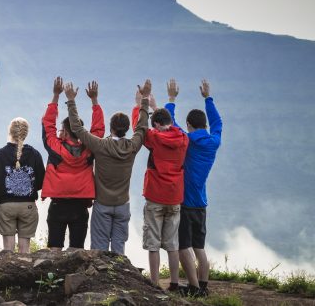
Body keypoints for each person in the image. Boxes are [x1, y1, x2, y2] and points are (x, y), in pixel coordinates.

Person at [66, 79, 149, 254]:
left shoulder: (100, 145)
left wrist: (73, 100)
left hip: (102, 204)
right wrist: (144, 100)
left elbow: (77, 128)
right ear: (127, 129)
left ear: (110, 127)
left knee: (99, 250)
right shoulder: (132, 147)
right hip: (123, 205)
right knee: (119, 250)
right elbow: (142, 128)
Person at [167, 78, 222, 297]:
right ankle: (204, 286)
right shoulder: (214, 141)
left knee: (183, 247)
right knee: (199, 248)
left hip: (185, 202)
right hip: (201, 203)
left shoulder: (186, 140)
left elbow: (170, 123)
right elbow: (218, 122)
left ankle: (193, 288)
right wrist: (208, 98)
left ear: (189, 125)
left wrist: (172, 98)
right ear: (205, 125)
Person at [41, 77, 104, 250]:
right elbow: (98, 130)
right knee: (77, 250)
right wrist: (94, 100)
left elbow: (48, 125)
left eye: (62, 129)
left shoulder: (55, 147)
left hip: (58, 204)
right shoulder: (90, 148)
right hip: (80, 206)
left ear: (67, 133)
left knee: (54, 249)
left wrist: (56, 95)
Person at [138, 80, 189, 289]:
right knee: (172, 244)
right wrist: (156, 107)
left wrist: (142, 103)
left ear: (157, 125)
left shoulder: (154, 138)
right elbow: (169, 125)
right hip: (175, 196)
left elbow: (140, 128)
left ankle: (154, 283)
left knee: (153, 243)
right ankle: (174, 283)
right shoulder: (183, 139)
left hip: (155, 196)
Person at [0, 116, 45, 253]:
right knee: (25, 250)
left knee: (8, 250)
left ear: (10, 131)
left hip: (5, 205)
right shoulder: (35, 154)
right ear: (25, 133)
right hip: (28, 205)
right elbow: (41, 181)